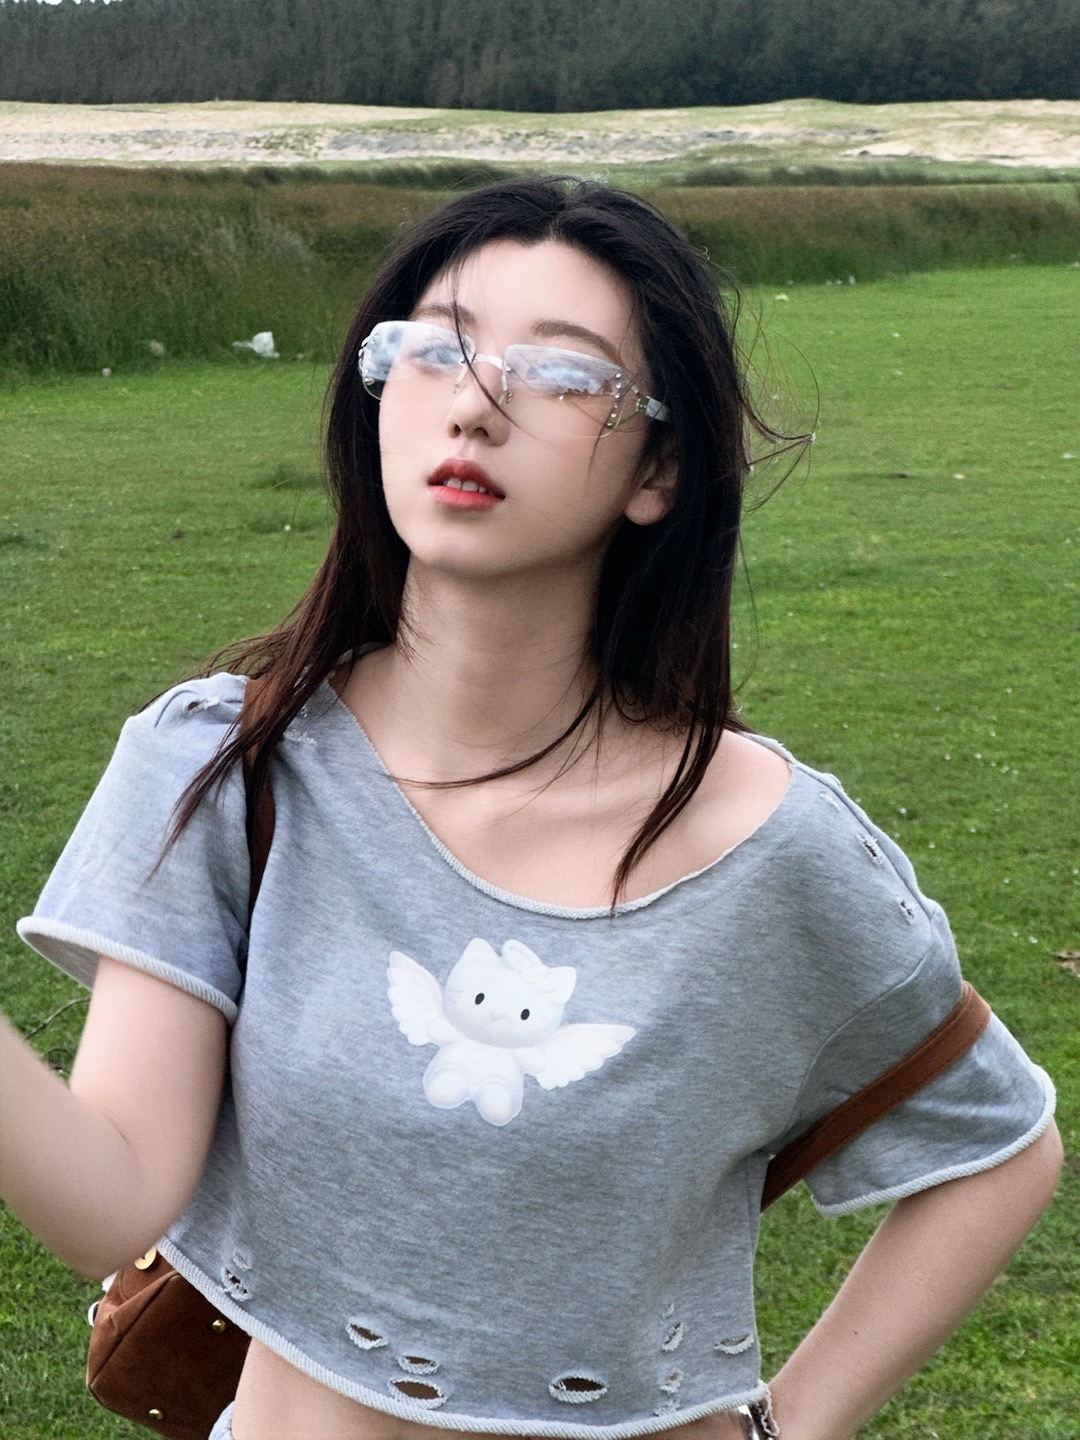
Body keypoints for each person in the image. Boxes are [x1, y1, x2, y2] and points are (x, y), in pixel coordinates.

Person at [2, 177, 1062, 1440]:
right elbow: (111, 1198)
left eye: (562, 373)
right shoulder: (230, 767)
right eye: (434, 348)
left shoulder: (764, 842)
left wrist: (792, 1424)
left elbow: (999, 1146)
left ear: (659, 467)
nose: (475, 400)